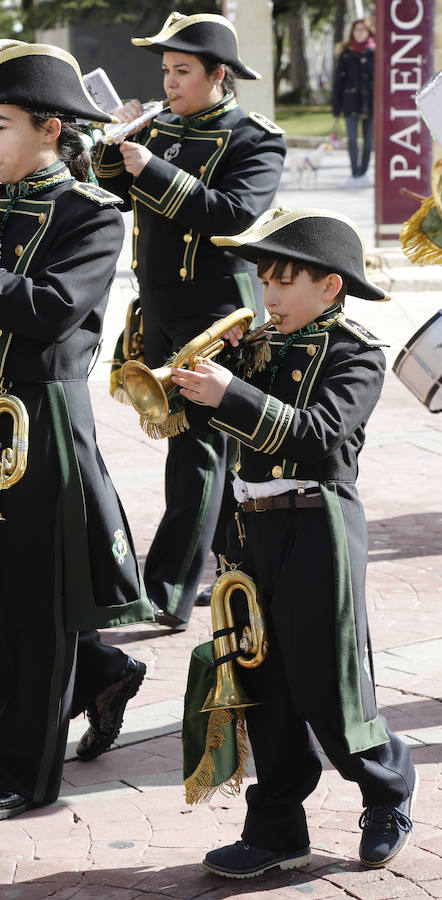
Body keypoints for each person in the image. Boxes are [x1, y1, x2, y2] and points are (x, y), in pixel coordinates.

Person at [171, 207, 417, 877]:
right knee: (261, 680)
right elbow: (213, 428)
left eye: (285, 281)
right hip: (250, 524)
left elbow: (317, 434)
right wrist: (195, 387)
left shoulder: (357, 351)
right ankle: (277, 825)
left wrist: (235, 394)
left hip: (319, 525)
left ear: (330, 287)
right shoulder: (252, 344)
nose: (269, 296)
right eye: (264, 281)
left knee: (326, 681)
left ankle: (387, 787)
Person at [0, 40, 154, 820]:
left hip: (40, 431)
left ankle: (26, 772)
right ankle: (103, 672)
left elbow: (51, 315)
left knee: (37, 605)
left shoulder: (89, 213)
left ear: (50, 128)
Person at [93, 11, 286, 631]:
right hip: (163, 310)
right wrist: (111, 148)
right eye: (166, 71)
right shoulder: (160, 126)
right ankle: (234, 567)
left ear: (218, 74)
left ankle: (169, 592)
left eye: (183, 71)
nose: (170, 84)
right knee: (212, 456)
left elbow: (234, 216)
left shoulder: (254, 137)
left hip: (218, 315)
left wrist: (150, 166)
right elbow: (112, 194)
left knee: (198, 454)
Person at [332, 18, 375, 189]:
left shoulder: (375, 53)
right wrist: (336, 109)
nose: (359, 32)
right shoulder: (346, 54)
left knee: (368, 141)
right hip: (351, 103)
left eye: (363, 29)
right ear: (352, 32)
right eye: (356, 29)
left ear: (368, 31)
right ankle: (354, 173)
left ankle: (363, 173)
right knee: (351, 140)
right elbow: (338, 84)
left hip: (370, 104)